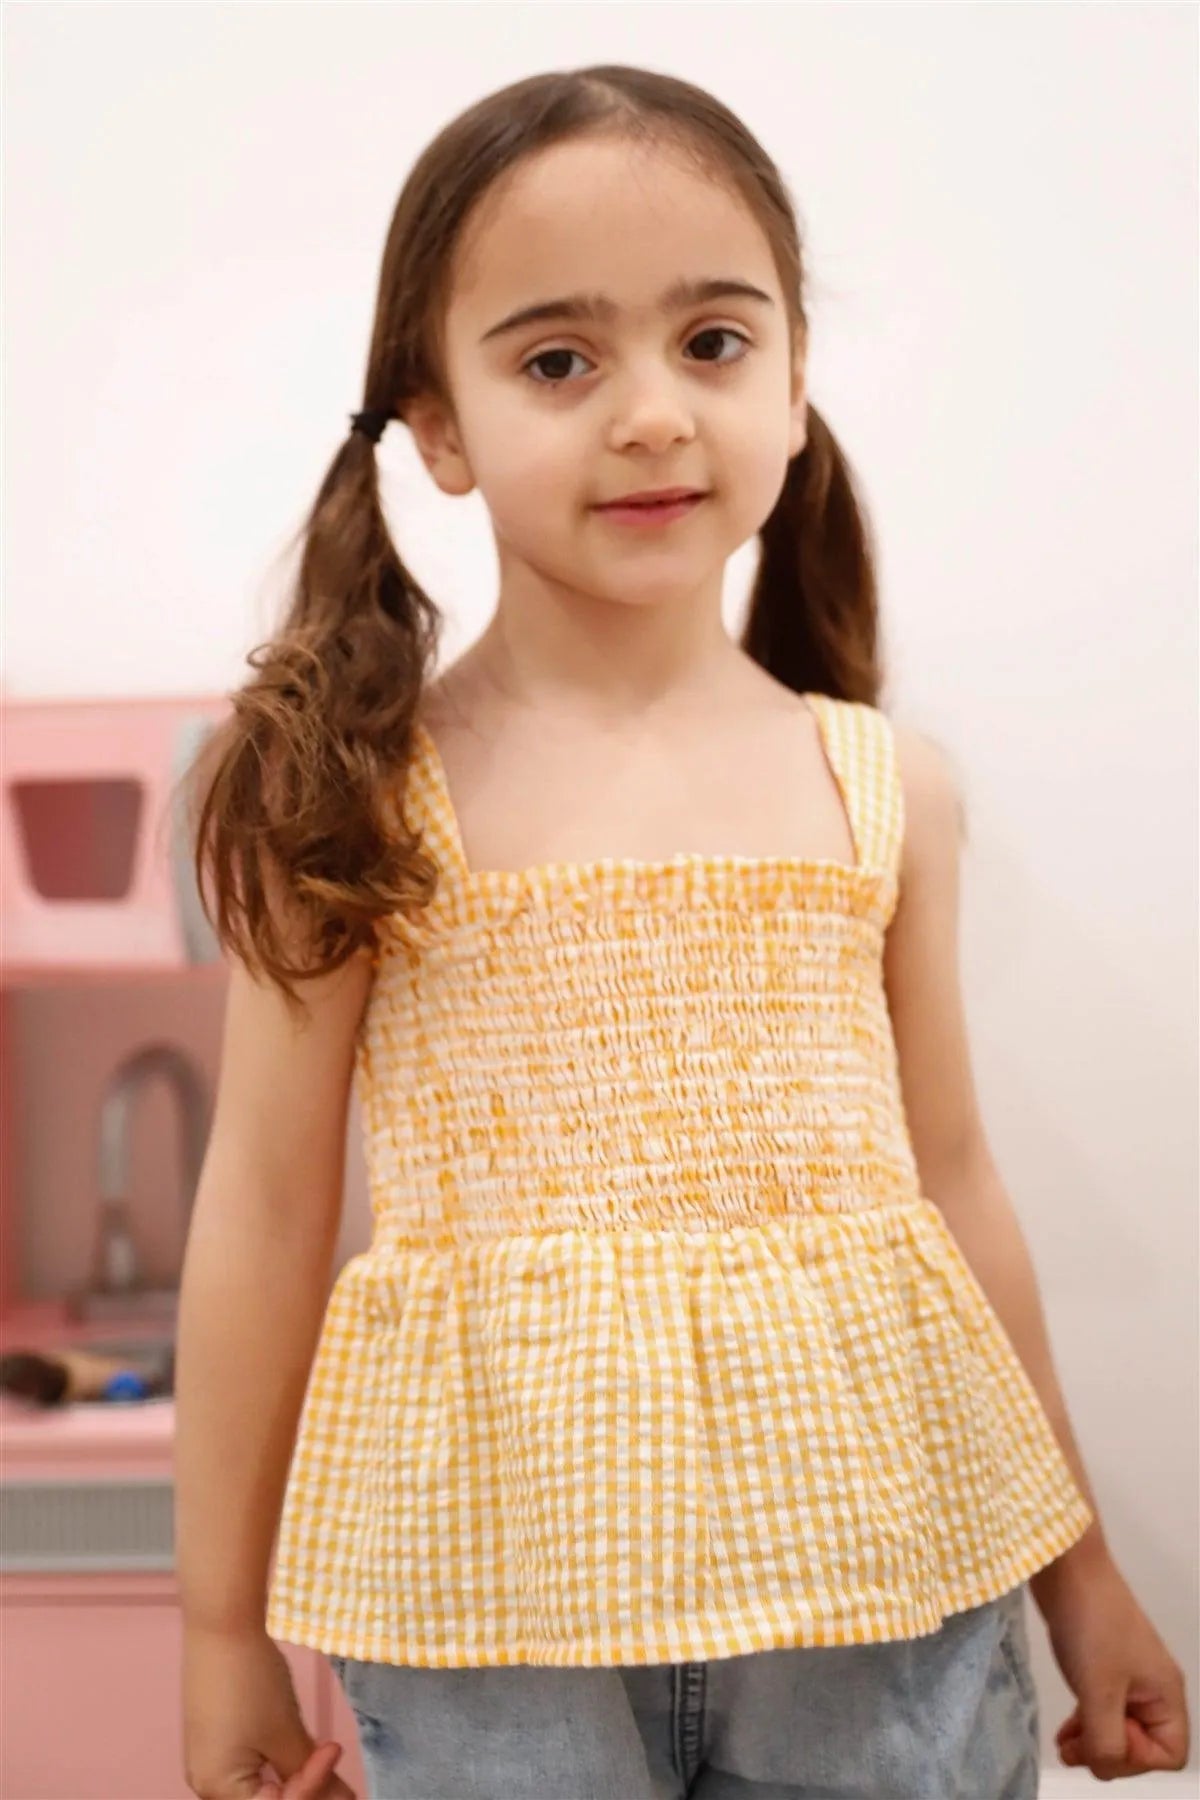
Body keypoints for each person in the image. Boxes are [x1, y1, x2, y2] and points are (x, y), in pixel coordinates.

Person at [173, 63, 1190, 1800]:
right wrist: (217, 1631)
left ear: (793, 385)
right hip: (491, 1605)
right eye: (558, 362)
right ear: (437, 427)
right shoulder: (348, 797)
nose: (652, 415)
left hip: (885, 1579)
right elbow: (263, 1212)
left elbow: (953, 1190)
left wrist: (1081, 1573)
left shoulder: (886, 787)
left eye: (713, 342)